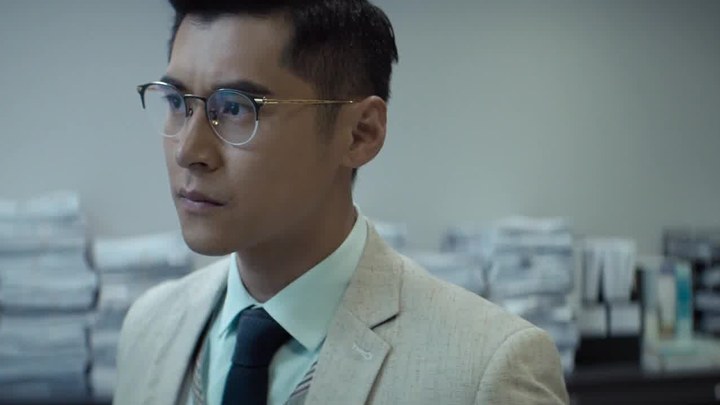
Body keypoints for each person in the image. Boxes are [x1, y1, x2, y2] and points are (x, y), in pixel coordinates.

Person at [114, 1, 569, 404]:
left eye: (235, 108)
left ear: (360, 133)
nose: (188, 150)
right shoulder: (149, 327)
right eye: (177, 102)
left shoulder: (485, 370)